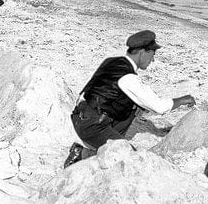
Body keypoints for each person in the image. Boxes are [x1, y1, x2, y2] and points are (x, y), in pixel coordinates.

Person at [64, 30, 196, 167]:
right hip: (93, 125)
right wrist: (182, 100)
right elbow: (159, 107)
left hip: (80, 117)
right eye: (152, 54)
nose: (153, 59)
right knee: (131, 158)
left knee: (135, 105)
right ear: (142, 52)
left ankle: (99, 144)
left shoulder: (111, 62)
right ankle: (82, 154)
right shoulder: (128, 78)